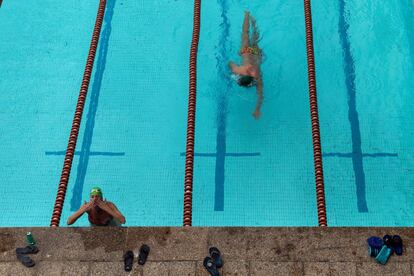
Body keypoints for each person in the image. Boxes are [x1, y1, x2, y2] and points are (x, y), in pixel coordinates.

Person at [229, 11, 264, 119]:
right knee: (245, 34)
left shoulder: (256, 77)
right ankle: (247, 15)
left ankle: (251, 19)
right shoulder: (239, 70)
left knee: (253, 37)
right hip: (245, 51)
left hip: (255, 54)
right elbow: (230, 63)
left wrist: (257, 110)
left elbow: (260, 95)